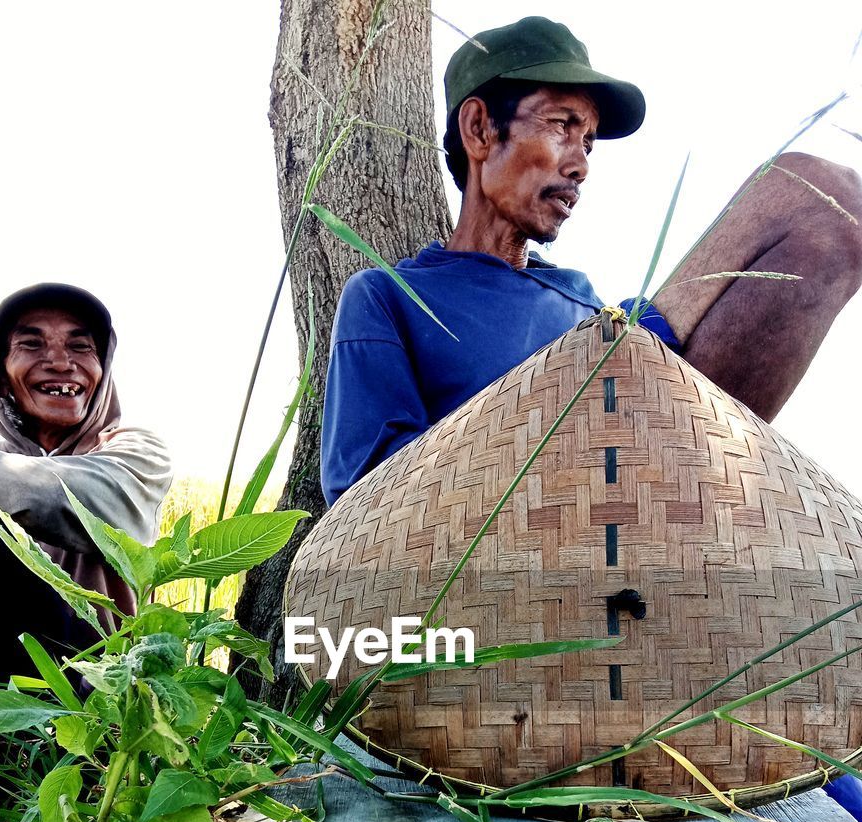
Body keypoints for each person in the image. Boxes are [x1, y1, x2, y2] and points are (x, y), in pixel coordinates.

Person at [320, 15, 862, 507]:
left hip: (646, 509)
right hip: (501, 552)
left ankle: (642, 341)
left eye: (590, 143)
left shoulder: (579, 298)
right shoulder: (387, 296)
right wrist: (572, 394)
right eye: (561, 125)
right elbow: (364, 499)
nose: (580, 165)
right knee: (798, 183)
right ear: (480, 129)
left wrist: (626, 343)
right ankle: (641, 337)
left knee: (837, 207)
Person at [0, 283, 172, 708]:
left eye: (81, 347)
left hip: (89, 684)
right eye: (31, 344)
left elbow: (78, 498)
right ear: (3, 377)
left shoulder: (135, 452)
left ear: (102, 374)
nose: (61, 362)